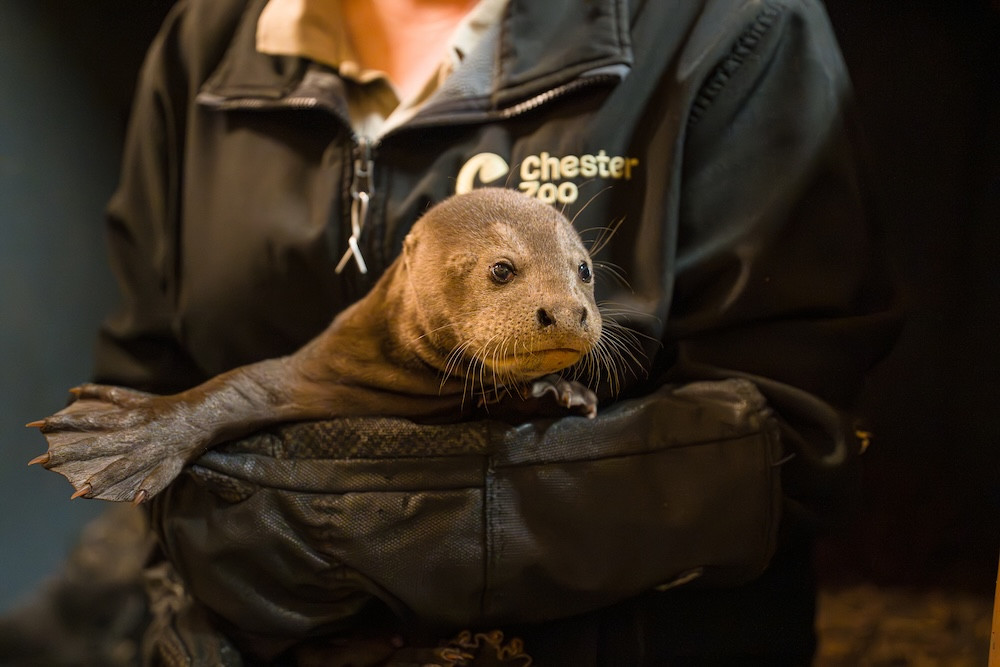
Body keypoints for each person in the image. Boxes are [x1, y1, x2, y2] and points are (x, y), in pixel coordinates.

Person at [92, 0, 899, 663]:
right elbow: (149, 383)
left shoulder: (731, 25)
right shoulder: (207, 41)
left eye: (585, 279)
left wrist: (338, 525)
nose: (573, 306)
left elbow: (795, 442)